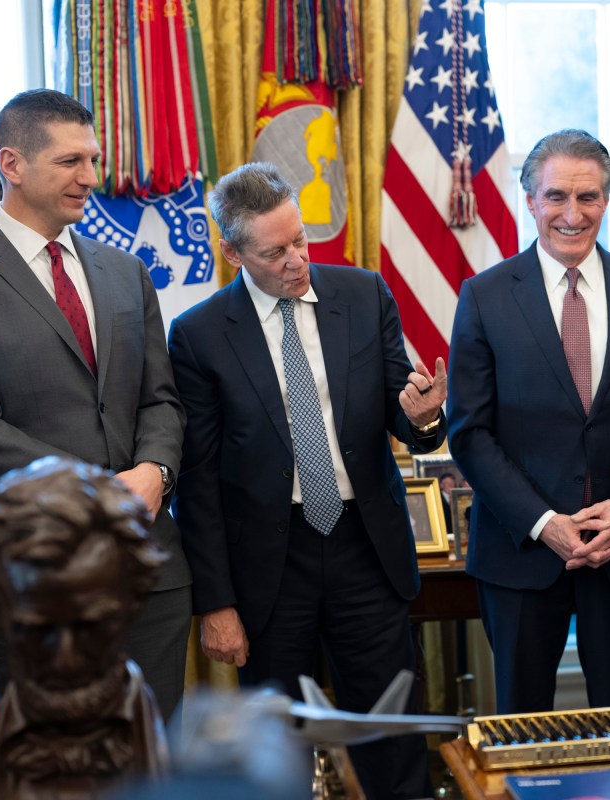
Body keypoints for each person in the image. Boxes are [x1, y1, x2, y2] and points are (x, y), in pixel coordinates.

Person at [0, 89, 190, 720]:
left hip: (152, 572)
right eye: (71, 162)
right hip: (38, 578)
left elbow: (161, 400)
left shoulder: (125, 272)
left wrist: (156, 473)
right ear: (12, 164)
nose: (91, 178)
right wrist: (101, 491)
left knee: (159, 767)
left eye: (92, 159)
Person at [167, 162, 444, 799]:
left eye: (301, 240)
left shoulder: (363, 294)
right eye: (275, 251)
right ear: (232, 252)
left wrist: (424, 417)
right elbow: (199, 480)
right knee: (278, 750)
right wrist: (216, 603)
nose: (296, 260)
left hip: (363, 546)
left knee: (391, 734)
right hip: (268, 561)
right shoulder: (201, 336)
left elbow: (403, 408)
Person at [447, 129, 610, 713]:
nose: (572, 213)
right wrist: (543, 522)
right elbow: (470, 432)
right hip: (522, 552)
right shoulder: (484, 297)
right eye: (556, 196)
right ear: (530, 200)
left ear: (606, 202)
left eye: (587, 198)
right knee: (519, 721)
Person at [0, 458, 169, 800]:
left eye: (91, 628)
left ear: (129, 606)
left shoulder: (141, 721)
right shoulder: (5, 736)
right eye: (39, 631)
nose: (66, 659)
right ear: (2, 611)